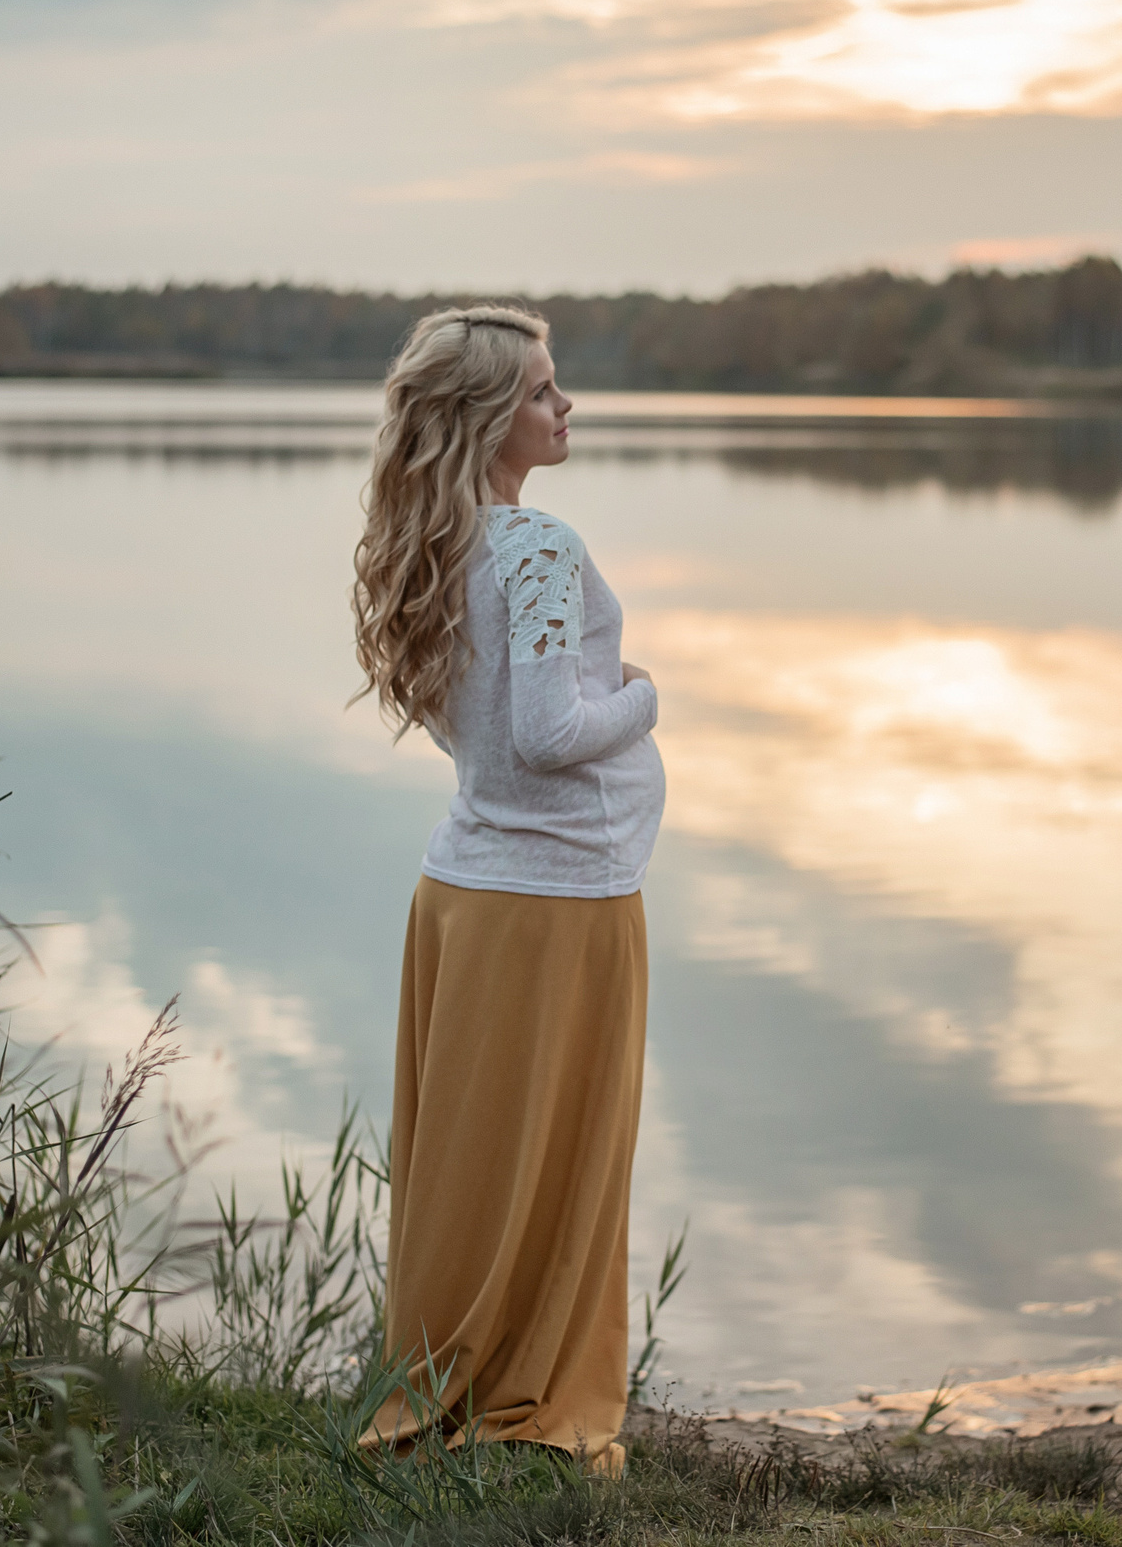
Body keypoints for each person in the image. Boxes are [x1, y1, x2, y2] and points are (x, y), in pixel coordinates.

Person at [349, 304, 665, 1474]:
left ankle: (452, 1374)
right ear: (487, 416)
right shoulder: (533, 549)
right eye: (542, 390)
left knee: (473, 1166)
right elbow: (544, 733)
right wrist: (641, 695)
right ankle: (527, 1385)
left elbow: (474, 737)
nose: (563, 405)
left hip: (466, 895)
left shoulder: (440, 547)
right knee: (561, 1158)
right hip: (556, 905)